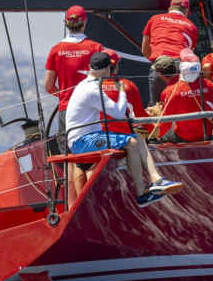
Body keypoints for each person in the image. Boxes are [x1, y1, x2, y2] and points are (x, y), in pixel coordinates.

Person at [65, 51, 182, 207]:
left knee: (137, 139)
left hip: (84, 136)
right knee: (132, 142)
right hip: (83, 140)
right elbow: (119, 113)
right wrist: (121, 91)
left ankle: (156, 179)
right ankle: (141, 194)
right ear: (109, 68)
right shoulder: (93, 89)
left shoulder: (85, 84)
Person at [44, 5, 104, 130]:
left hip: (67, 108)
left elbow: (49, 86)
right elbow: (106, 81)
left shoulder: (56, 50)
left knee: (66, 148)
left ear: (66, 23)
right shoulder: (97, 48)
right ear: (85, 22)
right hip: (92, 109)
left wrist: (65, 95)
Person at [155, 50, 213, 142]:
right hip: (206, 135)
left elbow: (165, 124)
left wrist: (153, 135)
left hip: (183, 137)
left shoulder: (170, 91)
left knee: (164, 132)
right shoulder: (210, 86)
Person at [142, 0, 199, 102]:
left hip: (160, 66)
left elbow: (145, 48)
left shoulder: (154, 19)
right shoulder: (192, 27)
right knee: (183, 108)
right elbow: (189, 55)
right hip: (180, 68)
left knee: (158, 110)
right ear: (186, 11)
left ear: (170, 8)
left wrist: (156, 62)